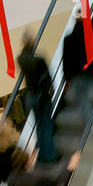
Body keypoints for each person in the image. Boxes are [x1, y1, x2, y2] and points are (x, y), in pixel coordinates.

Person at [17, 31, 58, 163]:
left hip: (31, 96)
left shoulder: (20, 59)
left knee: (39, 125)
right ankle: (49, 154)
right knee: (46, 123)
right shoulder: (39, 59)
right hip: (42, 96)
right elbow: (48, 77)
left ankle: (42, 152)